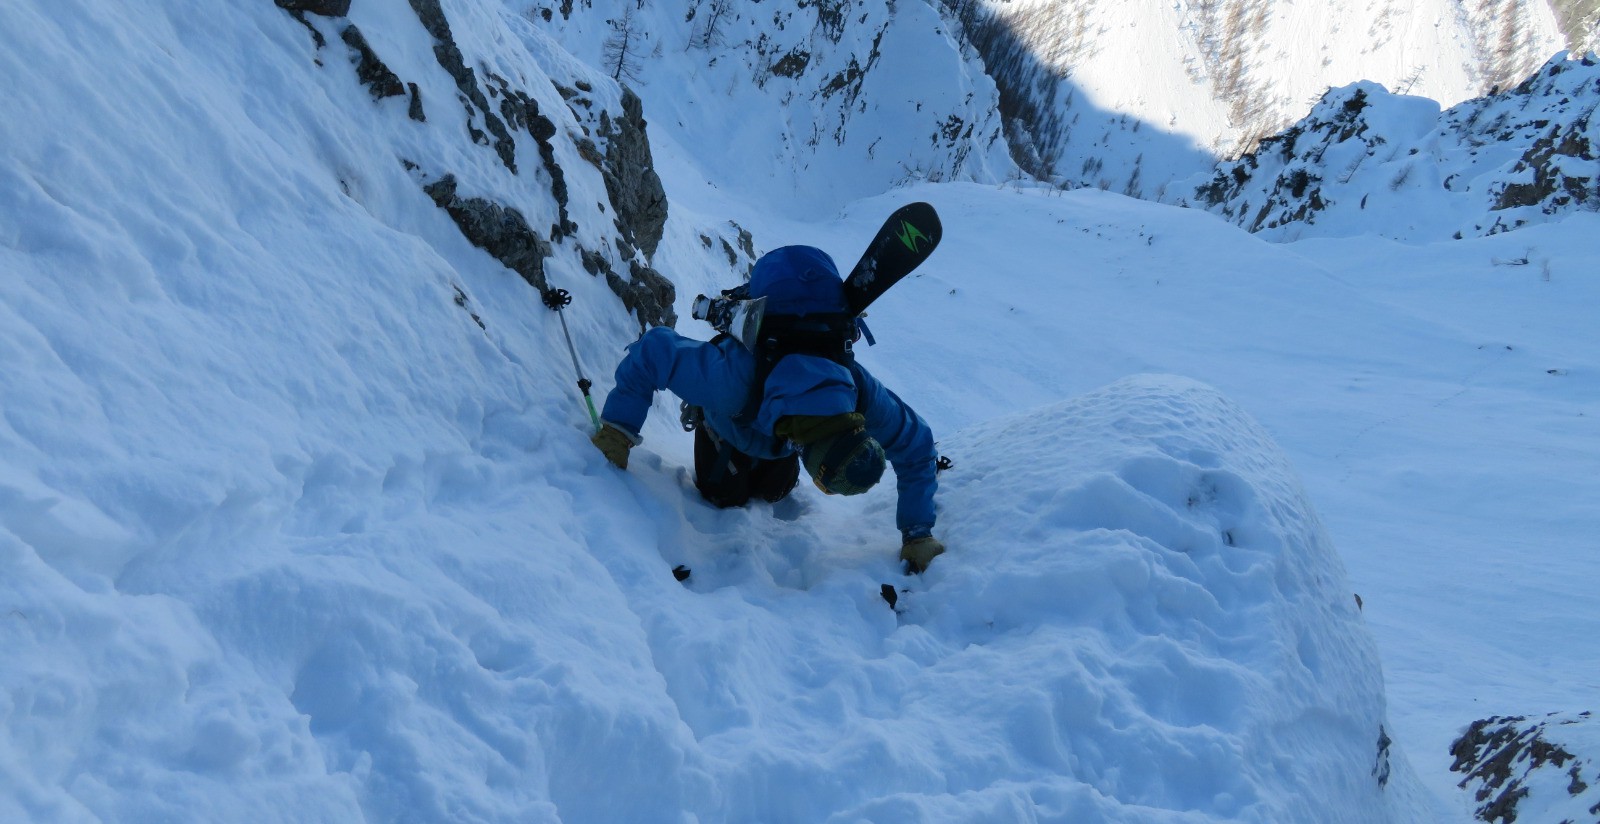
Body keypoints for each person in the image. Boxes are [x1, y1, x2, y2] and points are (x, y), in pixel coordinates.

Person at [588, 245, 945, 573]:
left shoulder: (855, 391)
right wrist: (618, 431)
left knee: (775, 490)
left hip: (776, 432)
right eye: (823, 483)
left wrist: (918, 530)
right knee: (723, 495)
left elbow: (916, 445)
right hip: (729, 423)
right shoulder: (734, 381)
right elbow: (654, 351)